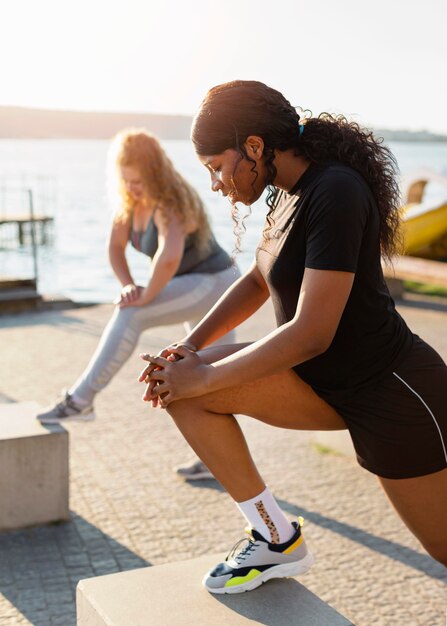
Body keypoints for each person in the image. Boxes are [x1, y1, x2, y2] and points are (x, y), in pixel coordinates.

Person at [138, 80, 447, 594]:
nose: (216, 183)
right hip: (320, 385)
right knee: (178, 389)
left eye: (217, 166)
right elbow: (260, 277)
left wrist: (207, 373)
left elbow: (310, 334)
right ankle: (275, 536)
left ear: (254, 147)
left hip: (394, 394)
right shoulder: (284, 190)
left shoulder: (337, 191)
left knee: (443, 548)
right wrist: (190, 350)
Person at [38, 129, 240, 479]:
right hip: (193, 285)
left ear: (155, 172)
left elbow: (168, 257)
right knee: (204, 378)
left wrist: (144, 296)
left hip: (217, 285)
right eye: (126, 180)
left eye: (139, 180)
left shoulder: (172, 200)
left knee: (135, 315)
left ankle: (80, 401)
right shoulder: (128, 205)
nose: (132, 187)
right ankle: (214, 461)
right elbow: (114, 248)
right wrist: (129, 284)